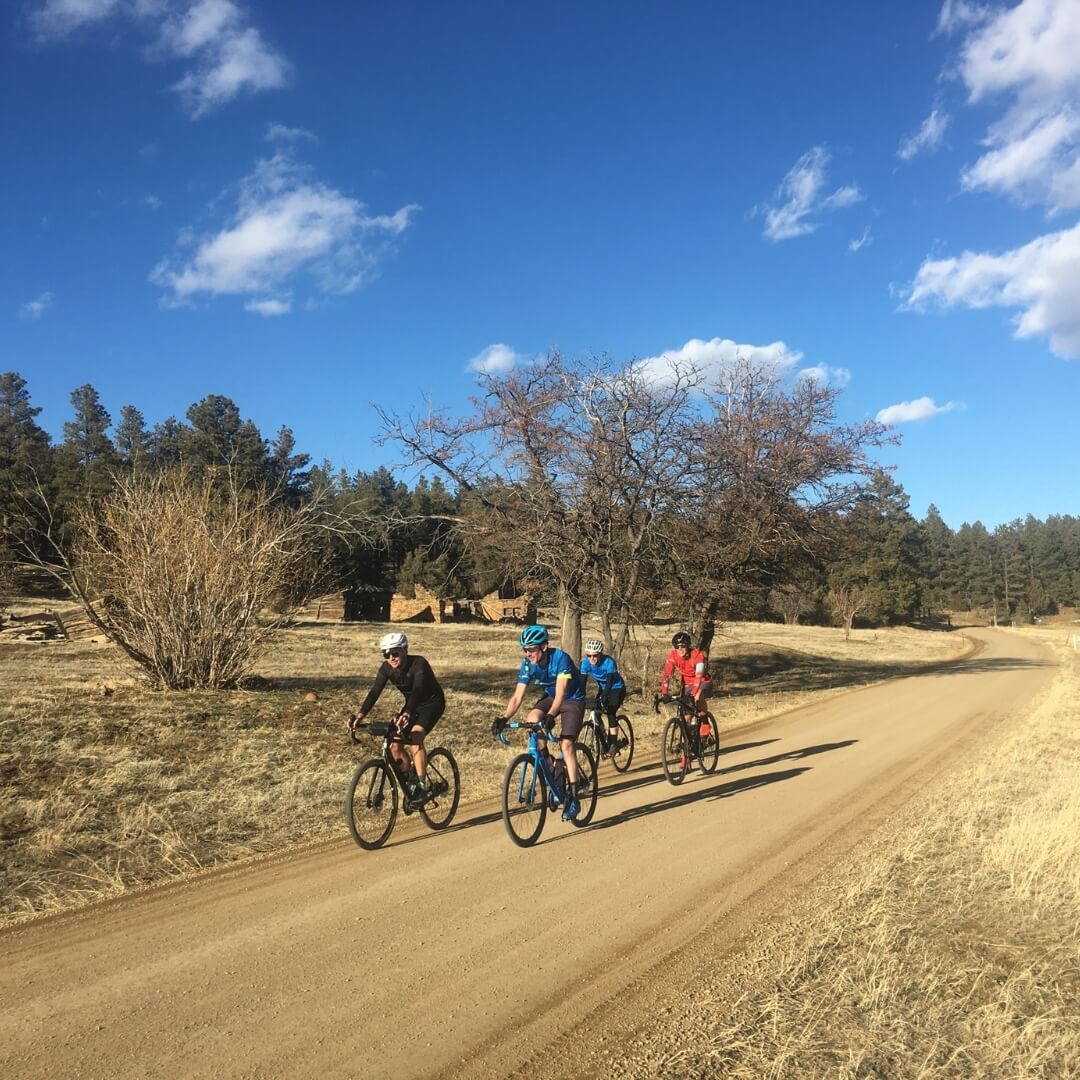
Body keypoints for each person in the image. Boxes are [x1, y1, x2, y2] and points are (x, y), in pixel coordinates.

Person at [492, 624, 588, 821]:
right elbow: (517, 697)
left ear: (544, 647)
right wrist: (504, 718)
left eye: (532, 649)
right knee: (532, 720)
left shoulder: (560, 658)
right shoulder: (528, 664)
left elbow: (561, 694)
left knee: (566, 744)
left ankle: (573, 798)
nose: (528, 654)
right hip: (551, 697)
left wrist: (551, 716)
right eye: (525, 650)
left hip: (572, 699)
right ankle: (552, 765)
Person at [348, 631, 445, 808]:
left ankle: (422, 787)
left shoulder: (419, 664)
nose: (391, 658)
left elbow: (418, 690)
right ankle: (411, 780)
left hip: (432, 703)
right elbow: (374, 692)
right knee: (394, 745)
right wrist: (360, 715)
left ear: (405, 650)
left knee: (416, 737)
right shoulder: (386, 668)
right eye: (386, 654)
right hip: (412, 705)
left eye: (395, 653)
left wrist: (407, 713)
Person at [579, 638, 627, 753]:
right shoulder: (585, 663)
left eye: (595, 656)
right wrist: (580, 696)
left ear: (600, 654)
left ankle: (614, 744)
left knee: (610, 711)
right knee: (596, 711)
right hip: (603, 688)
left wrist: (604, 696)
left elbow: (610, 682)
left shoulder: (609, 662)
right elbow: (582, 682)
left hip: (617, 688)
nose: (592, 659)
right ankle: (604, 739)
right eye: (589, 655)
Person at [659, 630, 713, 719]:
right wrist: (664, 693)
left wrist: (694, 692)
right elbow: (666, 675)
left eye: (683, 646)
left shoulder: (697, 655)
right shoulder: (673, 656)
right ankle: (688, 730)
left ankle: (705, 722)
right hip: (687, 685)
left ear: (688, 646)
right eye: (677, 646)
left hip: (703, 682)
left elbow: (699, 675)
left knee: (698, 695)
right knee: (687, 716)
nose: (680, 649)